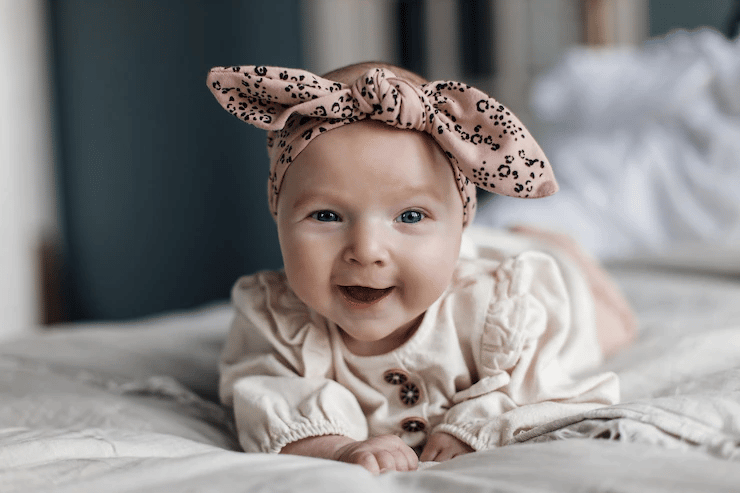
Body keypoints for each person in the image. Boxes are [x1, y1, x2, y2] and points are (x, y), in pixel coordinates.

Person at [206, 62, 636, 474]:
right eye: (326, 216)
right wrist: (340, 447)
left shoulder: (501, 307)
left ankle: (559, 248)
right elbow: (268, 399)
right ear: (278, 217)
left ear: (458, 227)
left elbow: (540, 388)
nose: (366, 251)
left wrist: (472, 427)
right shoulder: (277, 321)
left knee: (612, 330)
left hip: (543, 278)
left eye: (410, 216)